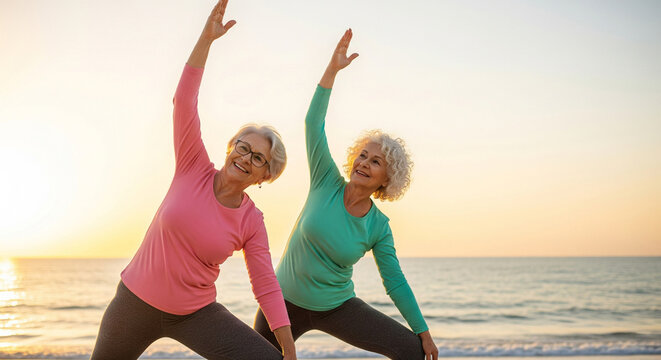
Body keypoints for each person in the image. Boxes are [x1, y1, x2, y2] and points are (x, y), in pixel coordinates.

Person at [90, 1, 296, 359]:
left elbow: (265, 285)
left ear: (266, 175)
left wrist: (289, 349)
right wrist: (206, 39)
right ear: (231, 148)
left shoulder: (251, 221)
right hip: (133, 304)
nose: (245, 158)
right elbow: (184, 101)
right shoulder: (192, 166)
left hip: (195, 314)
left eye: (257, 157)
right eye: (242, 147)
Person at [254, 29, 439, 360]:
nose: (365, 163)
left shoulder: (378, 227)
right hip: (281, 303)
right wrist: (332, 70)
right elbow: (313, 122)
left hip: (336, 306)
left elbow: (395, 282)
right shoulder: (326, 180)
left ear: (388, 178)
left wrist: (424, 333)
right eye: (363, 155)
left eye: (376, 161)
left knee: (412, 352)